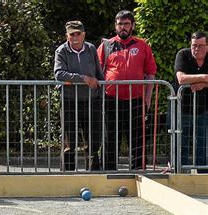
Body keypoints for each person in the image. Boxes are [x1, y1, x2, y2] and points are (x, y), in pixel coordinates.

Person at [97, 10, 157, 170]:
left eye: (126, 24)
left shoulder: (142, 45)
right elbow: (97, 72)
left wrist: (148, 98)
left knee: (137, 138)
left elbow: (150, 72)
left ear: (133, 26)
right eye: (120, 24)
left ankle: (139, 171)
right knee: (110, 137)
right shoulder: (106, 45)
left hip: (136, 99)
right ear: (115, 26)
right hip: (111, 98)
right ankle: (108, 171)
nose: (123, 27)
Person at [54, 20, 104, 171]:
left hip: (91, 101)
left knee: (93, 142)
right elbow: (59, 74)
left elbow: (98, 74)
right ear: (67, 36)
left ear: (84, 35)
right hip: (70, 101)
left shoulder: (91, 49)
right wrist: (83, 78)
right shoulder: (61, 51)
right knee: (70, 143)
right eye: (72, 34)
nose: (75, 37)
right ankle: (68, 175)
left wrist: (101, 93)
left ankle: (94, 174)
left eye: (78, 34)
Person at [174, 31, 208, 171]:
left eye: (201, 46)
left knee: (202, 145)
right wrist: (204, 77)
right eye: (194, 45)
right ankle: (179, 173)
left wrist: (204, 84)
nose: (197, 49)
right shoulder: (182, 55)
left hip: (203, 108)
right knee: (181, 144)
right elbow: (181, 79)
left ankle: (203, 176)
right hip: (182, 107)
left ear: (207, 46)